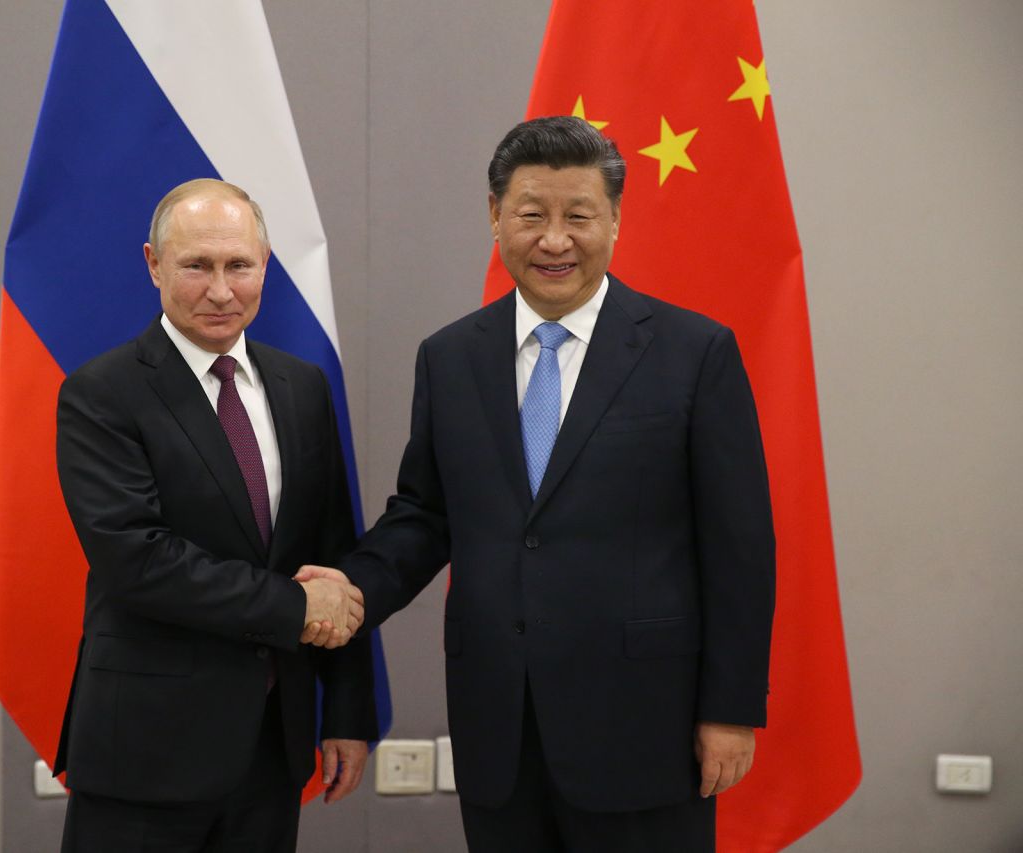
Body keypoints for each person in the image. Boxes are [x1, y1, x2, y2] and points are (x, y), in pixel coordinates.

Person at [299, 116, 776, 851]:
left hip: (646, 729)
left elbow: (740, 546)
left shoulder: (694, 353)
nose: (555, 240)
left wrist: (731, 707)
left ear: (615, 220)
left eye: (578, 216)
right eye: (531, 215)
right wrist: (348, 589)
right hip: (501, 730)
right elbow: (425, 515)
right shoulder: (451, 357)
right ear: (496, 217)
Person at [52, 178, 377, 853]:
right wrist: (293, 605)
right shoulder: (101, 394)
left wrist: (347, 709)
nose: (222, 290)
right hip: (145, 748)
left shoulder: (302, 386)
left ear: (266, 265)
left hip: (270, 744)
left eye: (240, 265)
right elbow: (138, 561)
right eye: (197, 265)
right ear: (153, 264)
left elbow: (331, 550)